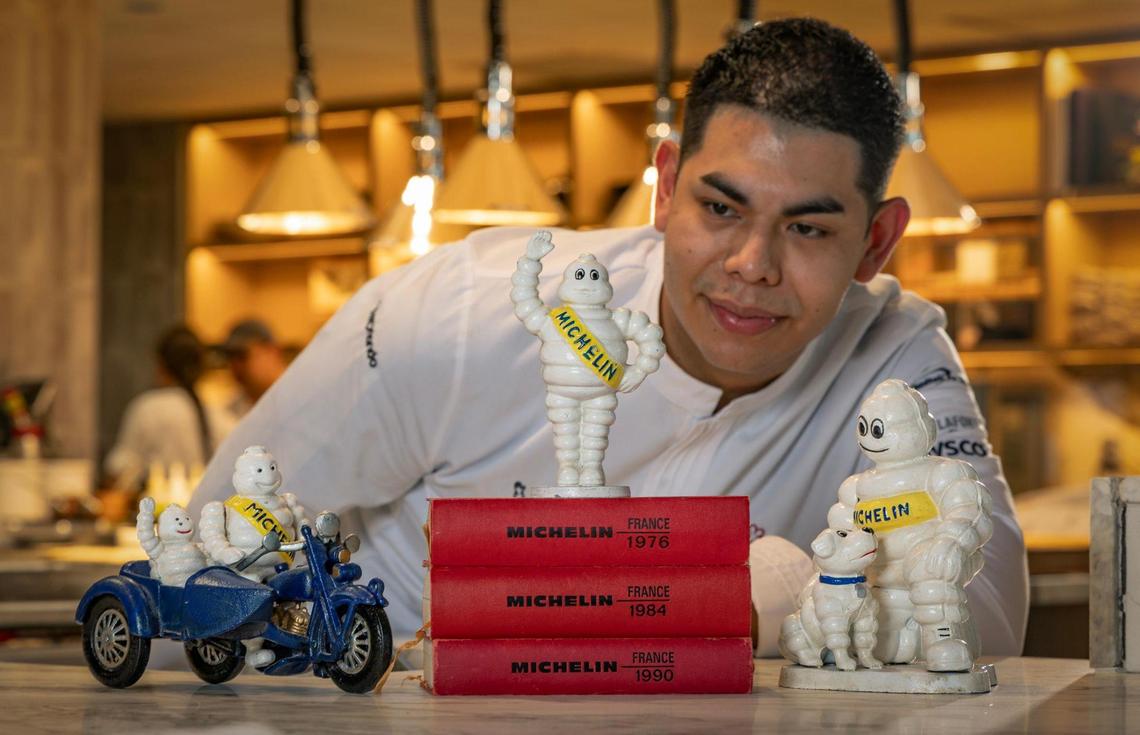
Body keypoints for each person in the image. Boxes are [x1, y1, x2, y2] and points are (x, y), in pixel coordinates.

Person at [189, 18, 1028, 656]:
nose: (752, 264)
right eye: (720, 207)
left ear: (876, 243)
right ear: (664, 187)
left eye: (808, 228)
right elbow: (213, 544)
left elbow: (982, 614)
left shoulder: (895, 359)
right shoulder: (460, 312)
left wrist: (754, 595)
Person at [105, 325, 235, 491]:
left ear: (161, 366)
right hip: (206, 504)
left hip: (155, 504)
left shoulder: (148, 409)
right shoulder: (221, 416)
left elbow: (120, 470)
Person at [220, 319, 288, 418]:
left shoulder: (300, 398)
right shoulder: (230, 413)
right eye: (230, 357)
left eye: (241, 356)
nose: (235, 366)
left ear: (272, 351)